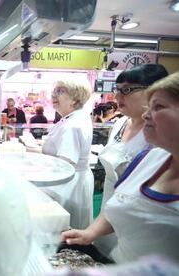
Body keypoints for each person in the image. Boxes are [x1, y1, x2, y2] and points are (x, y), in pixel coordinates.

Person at [62, 71, 179, 263]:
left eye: (158, 107)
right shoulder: (150, 158)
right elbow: (124, 200)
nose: (147, 115)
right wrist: (90, 233)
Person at [94, 64, 168, 256]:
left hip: (140, 224)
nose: (117, 97)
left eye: (126, 90)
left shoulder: (160, 136)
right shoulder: (120, 123)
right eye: (117, 90)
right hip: (108, 211)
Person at [41, 79, 93, 229]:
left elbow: (65, 164)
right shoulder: (71, 118)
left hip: (70, 185)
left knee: (68, 230)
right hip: (70, 182)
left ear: (75, 98)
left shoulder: (73, 125)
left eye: (60, 91)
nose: (53, 95)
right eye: (54, 91)